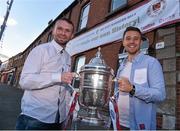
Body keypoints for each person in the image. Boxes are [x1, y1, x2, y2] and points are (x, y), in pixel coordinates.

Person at [15, 18, 75, 130]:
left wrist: (68, 112)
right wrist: (57, 77)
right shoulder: (40, 50)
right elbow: (25, 81)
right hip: (35, 119)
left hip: (58, 120)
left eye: (67, 31)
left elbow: (64, 88)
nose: (63, 33)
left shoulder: (68, 57)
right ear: (53, 31)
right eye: (60, 29)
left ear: (72, 35)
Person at [114, 26, 166, 130]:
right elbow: (118, 92)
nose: (132, 41)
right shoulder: (121, 66)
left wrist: (133, 89)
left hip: (139, 126)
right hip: (118, 123)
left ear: (141, 42)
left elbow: (160, 95)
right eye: (128, 38)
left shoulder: (151, 63)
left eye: (136, 38)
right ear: (123, 42)